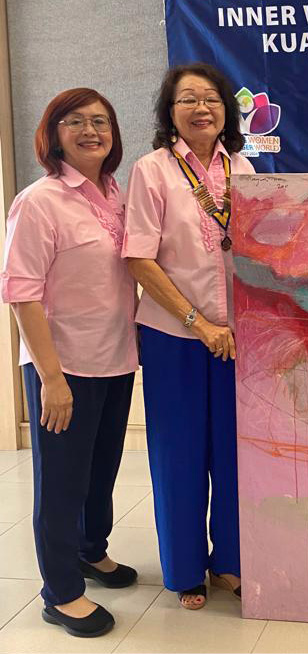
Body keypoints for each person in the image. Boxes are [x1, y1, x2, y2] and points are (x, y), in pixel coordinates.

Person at [1, 88, 139, 637]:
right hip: (64, 365)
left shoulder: (117, 194)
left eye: (100, 121)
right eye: (75, 121)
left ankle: (89, 549)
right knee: (60, 480)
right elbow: (22, 293)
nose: (90, 131)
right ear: (53, 134)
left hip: (115, 357)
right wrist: (51, 379)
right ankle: (60, 592)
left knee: (101, 469)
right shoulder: (39, 201)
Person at [122, 63, 255, 610]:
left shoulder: (243, 168)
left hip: (238, 336)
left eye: (211, 99)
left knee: (235, 453)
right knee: (179, 453)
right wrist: (197, 323)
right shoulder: (152, 170)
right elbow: (138, 257)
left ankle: (230, 562)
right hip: (175, 335)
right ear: (169, 112)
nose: (202, 108)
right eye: (188, 100)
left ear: (226, 110)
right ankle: (183, 570)